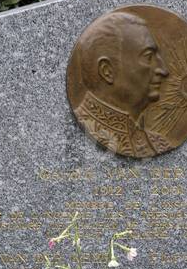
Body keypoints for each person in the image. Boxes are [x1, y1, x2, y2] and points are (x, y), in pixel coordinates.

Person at [72, 10, 172, 158]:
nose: (163, 70)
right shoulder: (74, 133)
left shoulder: (158, 144)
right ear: (107, 71)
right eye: (148, 57)